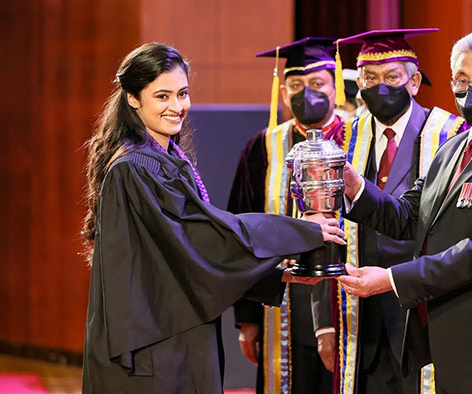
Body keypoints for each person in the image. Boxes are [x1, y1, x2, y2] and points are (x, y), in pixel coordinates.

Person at [81, 42, 344, 394]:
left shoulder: (163, 157)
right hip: (153, 345)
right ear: (132, 98)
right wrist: (299, 230)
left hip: (173, 329)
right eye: (162, 96)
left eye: (183, 93)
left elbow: (189, 258)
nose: (177, 107)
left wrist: (278, 277)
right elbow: (198, 241)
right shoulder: (136, 168)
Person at [323, 29, 472, 394]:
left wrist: (391, 279)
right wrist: (356, 187)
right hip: (458, 344)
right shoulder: (455, 147)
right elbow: (410, 217)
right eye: (462, 80)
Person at [312, 29, 468, 394]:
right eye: (369, 78)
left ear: (414, 82)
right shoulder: (342, 137)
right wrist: (324, 322)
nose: (379, 86)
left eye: (392, 77)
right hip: (358, 313)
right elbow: (325, 226)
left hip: (425, 306)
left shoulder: (451, 134)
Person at [227, 37, 343, 394]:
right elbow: (240, 230)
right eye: (295, 86)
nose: (306, 93)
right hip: (281, 299)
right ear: (282, 93)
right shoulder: (262, 147)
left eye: (318, 84)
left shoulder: (360, 137)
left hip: (346, 298)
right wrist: (247, 318)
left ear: (336, 86)